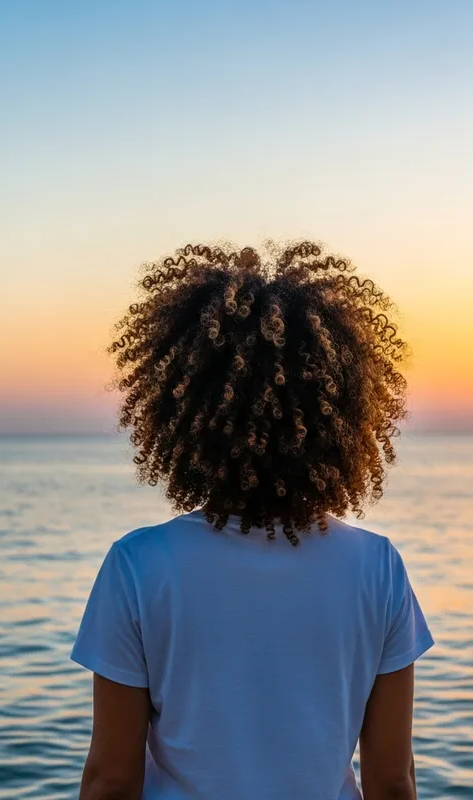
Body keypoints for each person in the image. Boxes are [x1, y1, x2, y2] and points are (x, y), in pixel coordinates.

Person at [71, 242, 434, 800]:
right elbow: (392, 780)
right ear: (340, 413)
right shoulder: (377, 567)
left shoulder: (140, 567)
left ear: (183, 410)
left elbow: (112, 780)